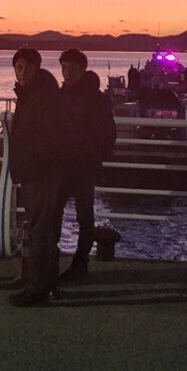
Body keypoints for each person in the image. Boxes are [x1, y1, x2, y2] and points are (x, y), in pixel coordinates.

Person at [54, 48, 117, 283]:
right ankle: (53, 258)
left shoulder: (96, 99)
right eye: (63, 67)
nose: (66, 72)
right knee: (54, 211)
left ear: (82, 69)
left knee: (84, 216)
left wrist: (92, 156)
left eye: (70, 67)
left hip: (83, 165)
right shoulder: (60, 96)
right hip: (61, 165)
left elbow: (108, 133)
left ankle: (80, 263)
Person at [6, 48, 63, 307]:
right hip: (36, 171)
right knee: (43, 229)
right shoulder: (31, 95)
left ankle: (38, 288)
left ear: (37, 67)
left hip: (39, 173)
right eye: (18, 66)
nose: (22, 71)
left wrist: (36, 159)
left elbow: (54, 135)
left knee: (39, 231)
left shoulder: (41, 96)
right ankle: (49, 282)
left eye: (27, 66)